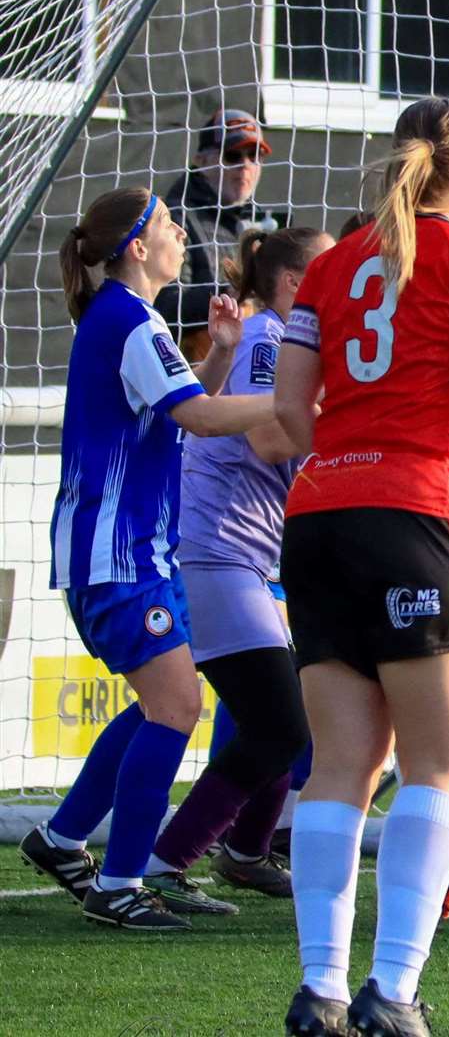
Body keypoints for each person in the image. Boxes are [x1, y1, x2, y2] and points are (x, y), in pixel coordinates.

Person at [272, 97, 449, 1036]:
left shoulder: (327, 266)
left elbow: (290, 415)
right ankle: (392, 992)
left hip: (316, 515)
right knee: (437, 766)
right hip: (416, 512)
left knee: (340, 767)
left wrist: (352, 447)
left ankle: (320, 989)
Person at [16, 187, 276, 930]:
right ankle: (119, 884)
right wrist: (292, 404)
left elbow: (189, 404)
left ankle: (64, 839)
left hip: (131, 552)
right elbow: (197, 416)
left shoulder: (133, 320)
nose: (178, 236)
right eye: (166, 225)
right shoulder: (130, 321)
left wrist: (223, 353)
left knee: (164, 702)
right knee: (177, 706)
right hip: (117, 554)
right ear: (137, 246)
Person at [138, 227, 330, 915]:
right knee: (277, 725)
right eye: (326, 270)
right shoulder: (267, 340)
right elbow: (267, 433)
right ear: (294, 284)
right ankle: (162, 863)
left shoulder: (284, 343)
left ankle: (245, 853)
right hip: (215, 550)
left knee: (285, 715)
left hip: (247, 554)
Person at [155, 108, 288, 362]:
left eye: (254, 156)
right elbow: (163, 307)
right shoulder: (175, 219)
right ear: (201, 161)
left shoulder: (255, 222)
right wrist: (231, 290)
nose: (246, 166)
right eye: (232, 156)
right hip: (193, 370)